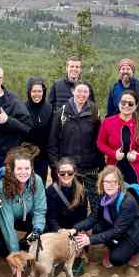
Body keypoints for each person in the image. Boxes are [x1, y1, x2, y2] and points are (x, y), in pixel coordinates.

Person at [73, 166, 139, 268]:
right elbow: (94, 217)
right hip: (117, 227)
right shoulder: (102, 195)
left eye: (114, 182)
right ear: (102, 183)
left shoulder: (127, 202)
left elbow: (117, 230)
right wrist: (74, 229)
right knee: (97, 229)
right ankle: (116, 247)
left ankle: (137, 252)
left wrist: (90, 240)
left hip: (134, 233)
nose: (110, 185)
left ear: (119, 184)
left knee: (116, 259)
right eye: (106, 182)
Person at [47, 81, 103, 214]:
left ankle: (92, 226)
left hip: (89, 165)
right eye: (79, 91)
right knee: (71, 198)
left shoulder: (95, 112)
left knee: (93, 199)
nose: (82, 94)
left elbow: (98, 140)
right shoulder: (62, 112)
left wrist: (101, 163)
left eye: (85, 91)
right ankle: (70, 226)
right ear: (73, 92)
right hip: (68, 166)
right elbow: (52, 142)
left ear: (89, 94)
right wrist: (55, 166)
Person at [98, 89, 139, 203]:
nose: (126, 106)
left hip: (138, 171)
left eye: (130, 103)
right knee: (116, 202)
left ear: (135, 106)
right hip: (115, 169)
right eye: (123, 102)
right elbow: (100, 143)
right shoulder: (108, 122)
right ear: (119, 104)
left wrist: (138, 157)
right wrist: (113, 154)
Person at [0, 145, 48, 263]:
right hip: (7, 220)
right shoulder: (3, 186)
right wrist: (15, 252)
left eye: (27, 168)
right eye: (19, 169)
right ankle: (14, 249)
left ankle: (25, 244)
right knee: (1, 248)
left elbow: (40, 210)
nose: (23, 172)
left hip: (26, 217)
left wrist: (36, 232)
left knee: (44, 228)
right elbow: (7, 221)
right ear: (12, 169)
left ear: (31, 169)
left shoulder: (37, 180)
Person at [25, 76, 53, 183]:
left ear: (44, 92)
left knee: (40, 184)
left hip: (43, 157)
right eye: (34, 91)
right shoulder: (23, 108)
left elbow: (51, 133)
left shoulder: (49, 108)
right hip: (26, 156)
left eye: (39, 91)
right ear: (29, 92)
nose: (37, 94)